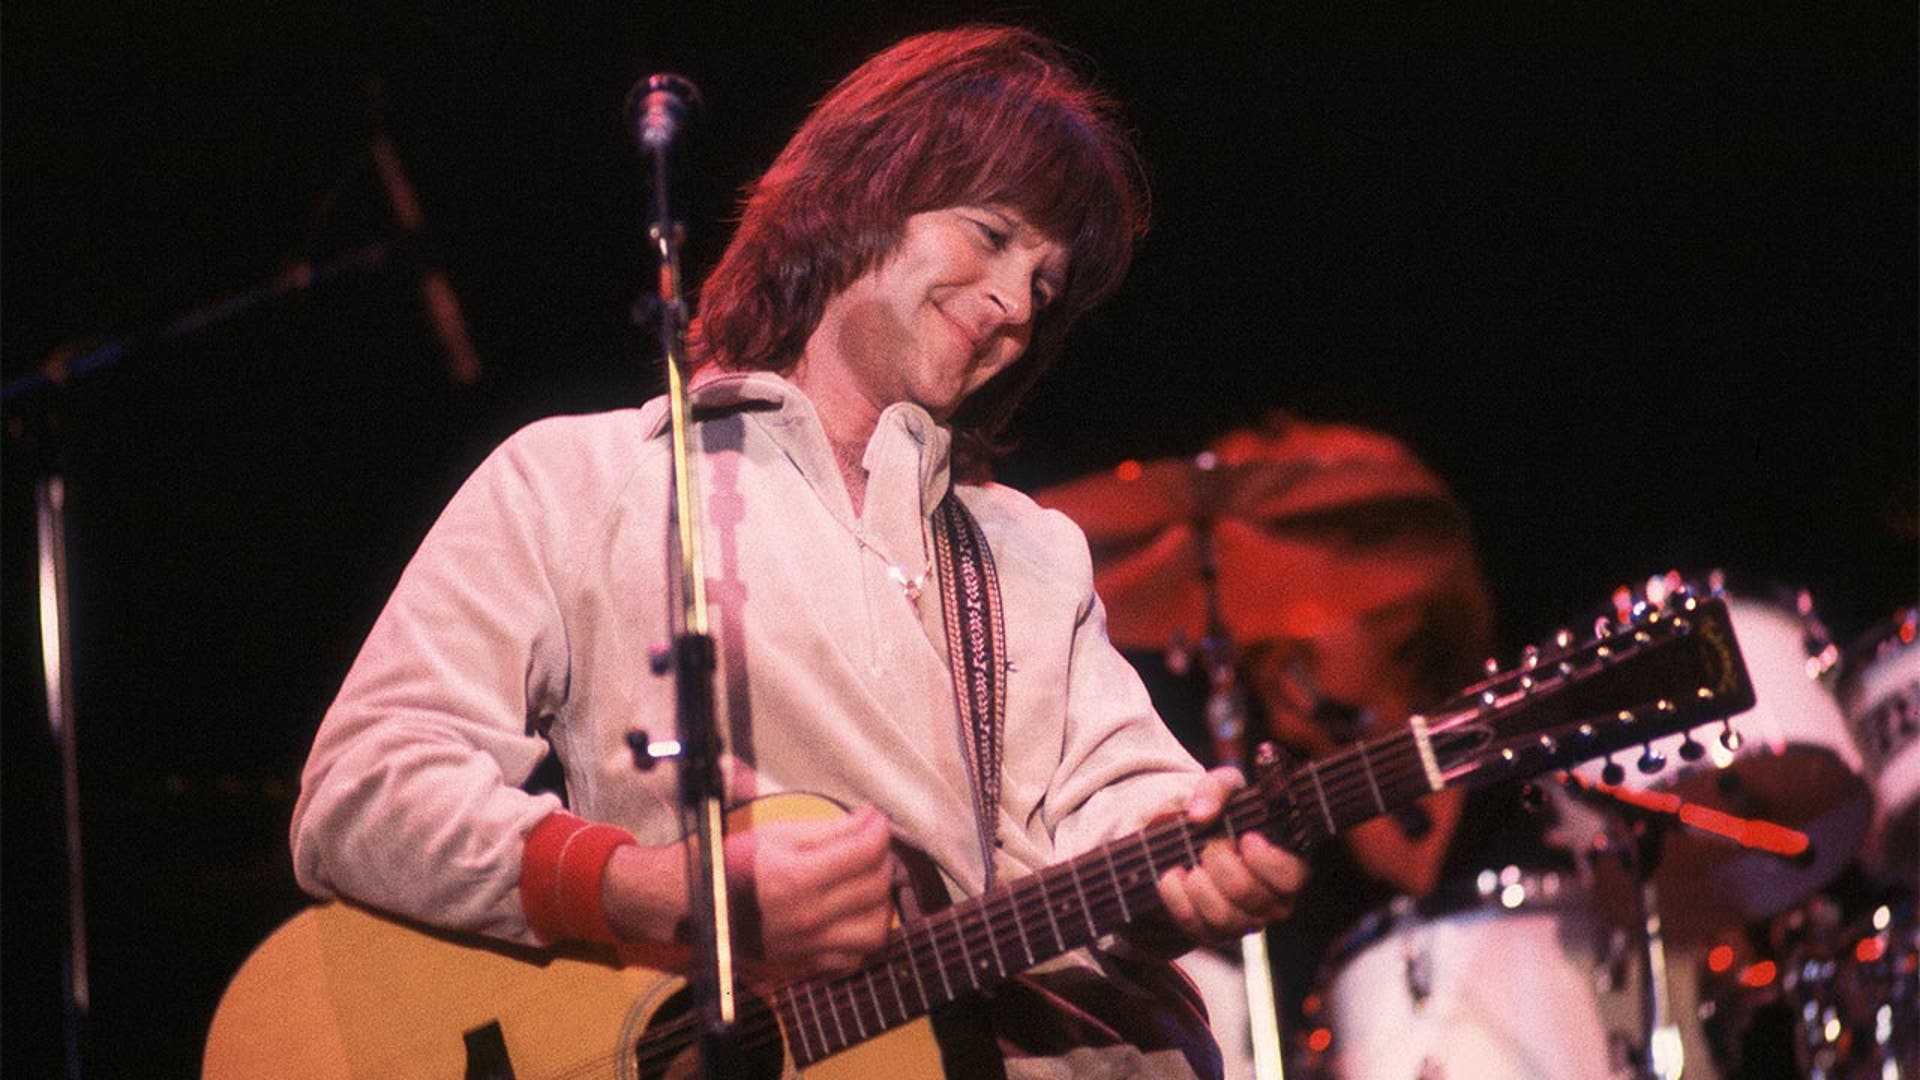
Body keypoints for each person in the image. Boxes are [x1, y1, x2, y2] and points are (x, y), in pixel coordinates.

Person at [290, 24, 1304, 1078]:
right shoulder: (583, 479)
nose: (1013, 303)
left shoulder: (1030, 552)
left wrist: (1196, 862)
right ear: (864, 194)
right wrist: (660, 896)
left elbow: (1128, 807)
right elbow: (366, 786)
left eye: (1046, 286)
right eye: (992, 234)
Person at [1132, 414, 1625, 1080]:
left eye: (1305, 588)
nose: (1270, 631)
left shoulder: (1552, 800)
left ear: (1408, 603)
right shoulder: (1264, 844)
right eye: (1258, 596)